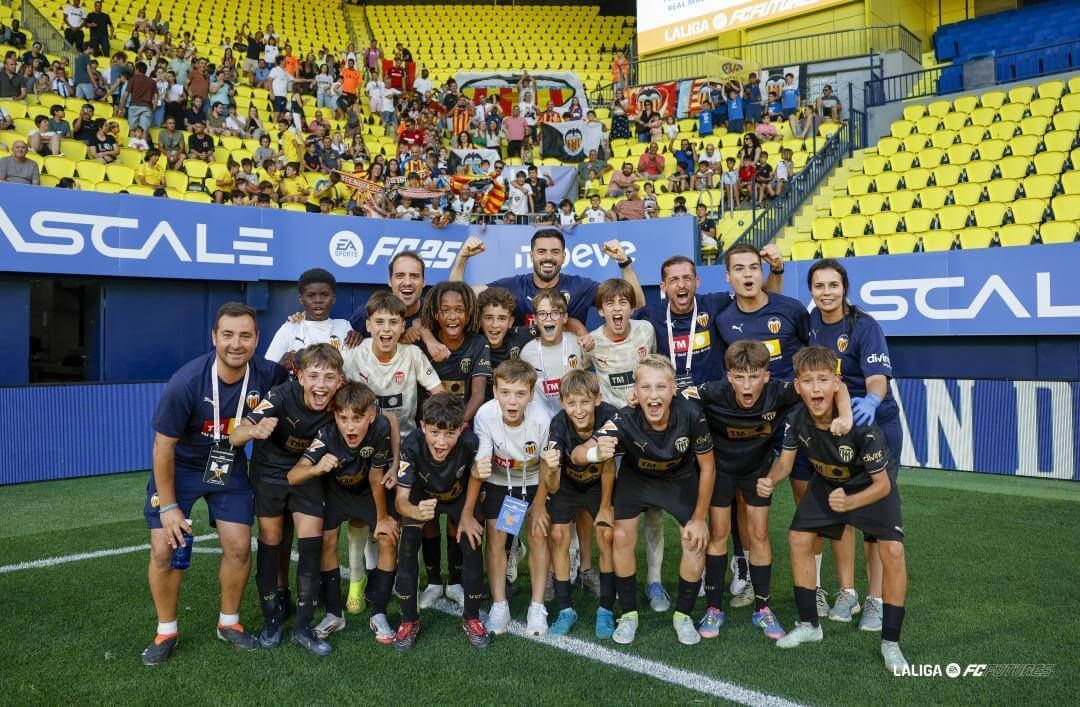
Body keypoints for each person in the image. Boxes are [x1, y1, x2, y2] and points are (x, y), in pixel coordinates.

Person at [140, 302, 287, 665]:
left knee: (239, 547)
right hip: (181, 467)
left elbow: (303, 389)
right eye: (228, 335)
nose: (236, 343)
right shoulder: (187, 381)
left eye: (245, 335)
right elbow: (163, 446)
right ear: (214, 338)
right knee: (164, 548)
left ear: (256, 339)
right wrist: (170, 507)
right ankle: (166, 630)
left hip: (228, 467)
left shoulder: (270, 375)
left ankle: (229, 623)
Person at [685, 341, 851, 641]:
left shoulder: (780, 391)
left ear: (766, 375)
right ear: (729, 376)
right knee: (719, 532)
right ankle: (713, 608)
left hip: (758, 472)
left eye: (754, 376)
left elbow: (833, 387)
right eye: (739, 376)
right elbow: (677, 394)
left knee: (759, 533)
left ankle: (763, 608)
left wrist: (847, 415)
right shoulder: (713, 391)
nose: (746, 384)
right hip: (720, 471)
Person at [757, 346, 909, 672]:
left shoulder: (861, 425)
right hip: (826, 483)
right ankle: (810, 625)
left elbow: (883, 485)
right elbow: (784, 463)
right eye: (808, 381)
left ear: (836, 383)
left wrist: (850, 503)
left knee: (893, 551)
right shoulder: (796, 419)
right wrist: (770, 479)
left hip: (869, 489)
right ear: (797, 386)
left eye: (823, 380)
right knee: (798, 537)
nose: (816, 388)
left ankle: (891, 643)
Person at [587, 356, 714, 645]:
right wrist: (596, 452)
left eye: (660, 387)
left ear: (673, 389)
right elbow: (583, 452)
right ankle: (629, 614)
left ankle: (683, 615)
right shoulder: (624, 417)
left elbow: (708, 468)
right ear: (636, 391)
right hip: (637, 480)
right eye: (646, 387)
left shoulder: (692, 415)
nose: (653, 395)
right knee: (620, 536)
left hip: (678, 480)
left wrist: (698, 518)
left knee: (694, 538)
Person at [229, 343, 344, 656]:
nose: (321, 385)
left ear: (339, 381)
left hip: (307, 475)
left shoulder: (338, 407)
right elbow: (235, 436)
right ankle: (272, 619)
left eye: (329, 377)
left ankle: (303, 627)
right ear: (301, 377)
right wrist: (253, 431)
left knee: (311, 541)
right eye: (315, 376)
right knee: (271, 538)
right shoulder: (280, 395)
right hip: (269, 474)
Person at [807, 259, 901, 631]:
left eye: (833, 285)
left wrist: (872, 401)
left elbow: (877, 378)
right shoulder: (810, 322)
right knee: (840, 508)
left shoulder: (865, 326)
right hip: (835, 430)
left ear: (845, 288)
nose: (826, 292)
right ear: (811, 291)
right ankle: (847, 592)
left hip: (875, 425)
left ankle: (875, 600)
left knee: (875, 518)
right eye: (819, 286)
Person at [341, 291, 445, 611]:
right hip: (362, 446)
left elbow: (438, 393)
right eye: (380, 321)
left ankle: (395, 577)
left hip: (408, 445)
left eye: (394, 322)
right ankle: (358, 579)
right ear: (369, 325)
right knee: (362, 519)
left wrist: (440, 428)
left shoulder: (412, 354)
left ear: (403, 326)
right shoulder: (354, 358)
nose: (386, 329)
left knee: (397, 517)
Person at [291, 382, 399, 644]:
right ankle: (333, 613)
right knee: (326, 541)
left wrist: (383, 518)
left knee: (387, 537)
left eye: (358, 418)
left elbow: (376, 477)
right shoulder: (326, 436)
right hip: (336, 494)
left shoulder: (380, 428)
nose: (350, 427)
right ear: (334, 416)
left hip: (367, 493)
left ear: (371, 415)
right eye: (343, 418)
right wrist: (316, 469)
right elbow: (293, 475)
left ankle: (380, 613)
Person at [392, 393, 492, 650]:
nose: (441, 442)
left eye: (450, 434)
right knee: (408, 544)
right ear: (423, 426)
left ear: (461, 429)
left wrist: (468, 515)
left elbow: (475, 478)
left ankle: (471, 617)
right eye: (435, 432)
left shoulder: (470, 442)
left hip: (459, 495)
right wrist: (415, 512)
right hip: (422, 496)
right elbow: (401, 501)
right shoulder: (411, 445)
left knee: (472, 539)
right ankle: (408, 620)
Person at [473, 360, 557, 636]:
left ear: (531, 395)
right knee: (497, 538)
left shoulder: (542, 418)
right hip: (500, 481)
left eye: (520, 394)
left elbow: (547, 463)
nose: (512, 400)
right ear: (494, 391)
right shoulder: (485, 415)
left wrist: (539, 504)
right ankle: (500, 605)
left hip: (534, 481)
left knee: (537, 535)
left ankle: (536, 606)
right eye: (506, 392)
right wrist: (480, 464)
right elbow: (484, 451)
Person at [452, 229, 644, 331]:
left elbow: (636, 303)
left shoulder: (580, 287)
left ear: (563, 257)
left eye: (555, 252)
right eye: (541, 251)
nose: (548, 257)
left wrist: (624, 263)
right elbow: (458, 298)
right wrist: (462, 259)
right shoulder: (513, 286)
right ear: (532, 256)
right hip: (524, 374)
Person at [546, 369, 618, 636]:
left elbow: (609, 464)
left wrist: (606, 506)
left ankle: (606, 610)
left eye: (584, 402)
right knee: (558, 534)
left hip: (599, 484)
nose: (578, 410)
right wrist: (552, 470)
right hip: (566, 484)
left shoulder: (609, 415)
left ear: (597, 399)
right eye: (572, 403)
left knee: (607, 533)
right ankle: (565, 609)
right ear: (562, 402)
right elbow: (552, 485)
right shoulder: (557, 424)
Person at [264, 269, 355, 369]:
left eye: (324, 295)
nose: (318, 300)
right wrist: (282, 366)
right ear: (301, 299)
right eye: (311, 295)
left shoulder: (343, 326)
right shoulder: (289, 329)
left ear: (333, 299)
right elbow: (268, 370)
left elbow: (350, 368)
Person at [519, 288, 589, 418]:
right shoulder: (527, 352)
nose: (548, 319)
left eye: (555, 313)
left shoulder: (577, 344)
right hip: (543, 419)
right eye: (542, 314)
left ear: (564, 318)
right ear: (534, 319)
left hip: (576, 416)